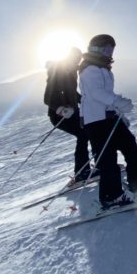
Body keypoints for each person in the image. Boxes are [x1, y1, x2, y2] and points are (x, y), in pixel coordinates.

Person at [79, 34, 137, 208]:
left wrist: (120, 114)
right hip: (96, 121)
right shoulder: (90, 69)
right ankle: (111, 196)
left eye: (112, 49)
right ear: (96, 49)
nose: (110, 53)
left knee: (130, 146)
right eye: (107, 49)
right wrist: (118, 101)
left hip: (110, 118)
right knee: (107, 159)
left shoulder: (104, 69)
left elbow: (105, 97)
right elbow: (96, 93)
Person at [44, 46, 96, 183]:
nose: (76, 61)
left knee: (92, 130)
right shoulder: (57, 72)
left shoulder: (72, 72)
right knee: (83, 134)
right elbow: (47, 98)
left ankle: (97, 165)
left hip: (73, 112)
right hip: (60, 115)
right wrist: (60, 109)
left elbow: (72, 93)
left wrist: (86, 100)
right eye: (74, 58)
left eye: (78, 59)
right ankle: (82, 172)